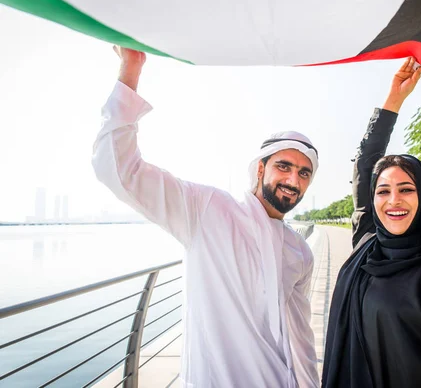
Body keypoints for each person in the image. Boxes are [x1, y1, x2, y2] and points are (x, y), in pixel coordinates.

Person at [92, 46, 319, 387]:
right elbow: (121, 172)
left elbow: (300, 335)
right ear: (260, 168)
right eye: (283, 167)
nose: (293, 180)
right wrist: (131, 69)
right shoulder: (207, 209)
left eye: (304, 173)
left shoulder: (300, 251)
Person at [321, 57, 421, 388]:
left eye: (406, 189)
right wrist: (394, 99)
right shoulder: (367, 242)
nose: (393, 200)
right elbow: (366, 164)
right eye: (383, 191)